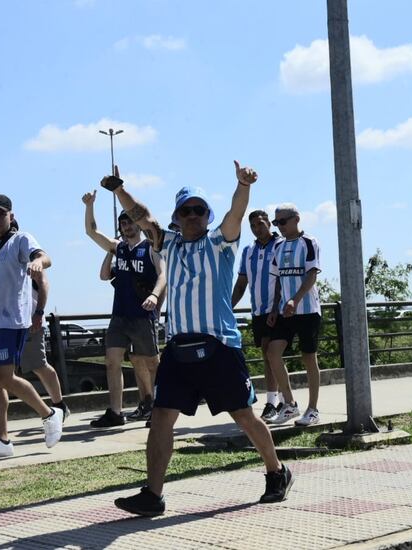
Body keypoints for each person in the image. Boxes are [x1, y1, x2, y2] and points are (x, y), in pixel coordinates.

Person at [102, 162, 293, 517]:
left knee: (244, 416)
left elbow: (236, 212)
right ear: (176, 216)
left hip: (219, 345)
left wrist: (242, 186)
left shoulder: (220, 242)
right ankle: (153, 494)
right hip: (178, 347)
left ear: (208, 215)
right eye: (186, 210)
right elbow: (143, 217)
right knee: (161, 418)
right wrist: (119, 190)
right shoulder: (168, 243)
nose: (193, 215)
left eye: (199, 210)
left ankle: (277, 471)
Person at [0, 194, 63, 460]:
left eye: (1, 214)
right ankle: (2, 440)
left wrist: (37, 263)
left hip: (11, 321)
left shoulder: (21, 240)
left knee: (5, 377)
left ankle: (49, 413)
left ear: (11, 216)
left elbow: (45, 257)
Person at [81, 192, 166, 428]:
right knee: (112, 361)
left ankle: (160, 408)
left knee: (152, 363)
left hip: (142, 315)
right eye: (123, 222)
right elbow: (91, 232)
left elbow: (163, 275)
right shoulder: (117, 248)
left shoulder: (151, 247)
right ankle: (116, 411)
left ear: (138, 224)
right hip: (119, 315)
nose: (127, 225)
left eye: (130, 221)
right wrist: (90, 206)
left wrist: (155, 295)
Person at [0, 266, 70, 436]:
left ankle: (58, 407)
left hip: (28, 322)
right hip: (1, 325)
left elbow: (44, 283)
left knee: (38, 364)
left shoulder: (25, 251)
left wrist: (39, 312)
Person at [266, 203, 322, 427]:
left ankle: (313, 409)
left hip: (307, 310)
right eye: (276, 222)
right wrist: (274, 308)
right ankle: (289, 404)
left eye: (282, 221)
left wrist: (296, 299)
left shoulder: (309, 242)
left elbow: (311, 275)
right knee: (272, 352)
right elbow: (278, 279)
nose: (279, 226)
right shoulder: (278, 246)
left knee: (309, 357)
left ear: (296, 219)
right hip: (285, 311)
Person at [231, 210, 284, 422]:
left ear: (269, 223)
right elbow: (242, 282)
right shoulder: (248, 251)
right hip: (258, 310)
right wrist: (228, 305)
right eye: (253, 225)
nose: (257, 228)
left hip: (277, 309)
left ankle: (273, 401)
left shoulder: (280, 246)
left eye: (260, 223)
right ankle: (280, 399)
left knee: (273, 353)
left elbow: (282, 278)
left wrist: (276, 307)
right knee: (266, 354)